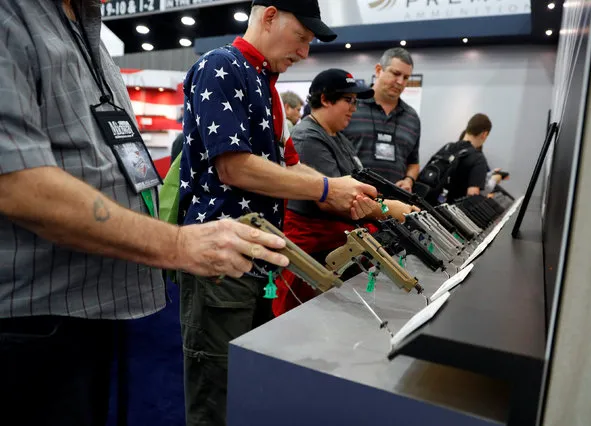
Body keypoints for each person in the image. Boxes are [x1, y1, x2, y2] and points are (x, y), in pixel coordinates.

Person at [0, 1, 289, 426]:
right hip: (35, 322)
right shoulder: (14, 16)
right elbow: (17, 184)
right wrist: (175, 243)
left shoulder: (84, 30)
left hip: (101, 312)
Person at [177, 2, 377, 424]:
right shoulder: (221, 67)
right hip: (219, 261)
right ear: (269, 16)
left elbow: (286, 165)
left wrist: (340, 193)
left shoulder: (265, 81)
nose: (305, 52)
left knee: (248, 382)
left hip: (258, 258)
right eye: (302, 37)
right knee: (217, 390)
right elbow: (234, 166)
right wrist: (327, 186)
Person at [276, 69, 417, 315]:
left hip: (341, 249)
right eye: (348, 100)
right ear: (325, 99)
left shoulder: (339, 138)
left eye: (355, 101)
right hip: (315, 255)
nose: (354, 107)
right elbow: (334, 200)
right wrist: (388, 209)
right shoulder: (308, 138)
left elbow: (357, 188)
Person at [343, 47, 421, 192]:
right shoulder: (352, 106)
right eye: (396, 74)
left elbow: (413, 163)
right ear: (379, 70)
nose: (400, 82)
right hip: (352, 201)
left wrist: (408, 180)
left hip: (391, 206)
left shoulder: (412, 117)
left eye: (405, 77)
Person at [442, 113, 493, 201]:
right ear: (484, 134)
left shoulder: (448, 146)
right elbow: (472, 195)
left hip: (426, 204)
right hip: (449, 209)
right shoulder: (478, 158)